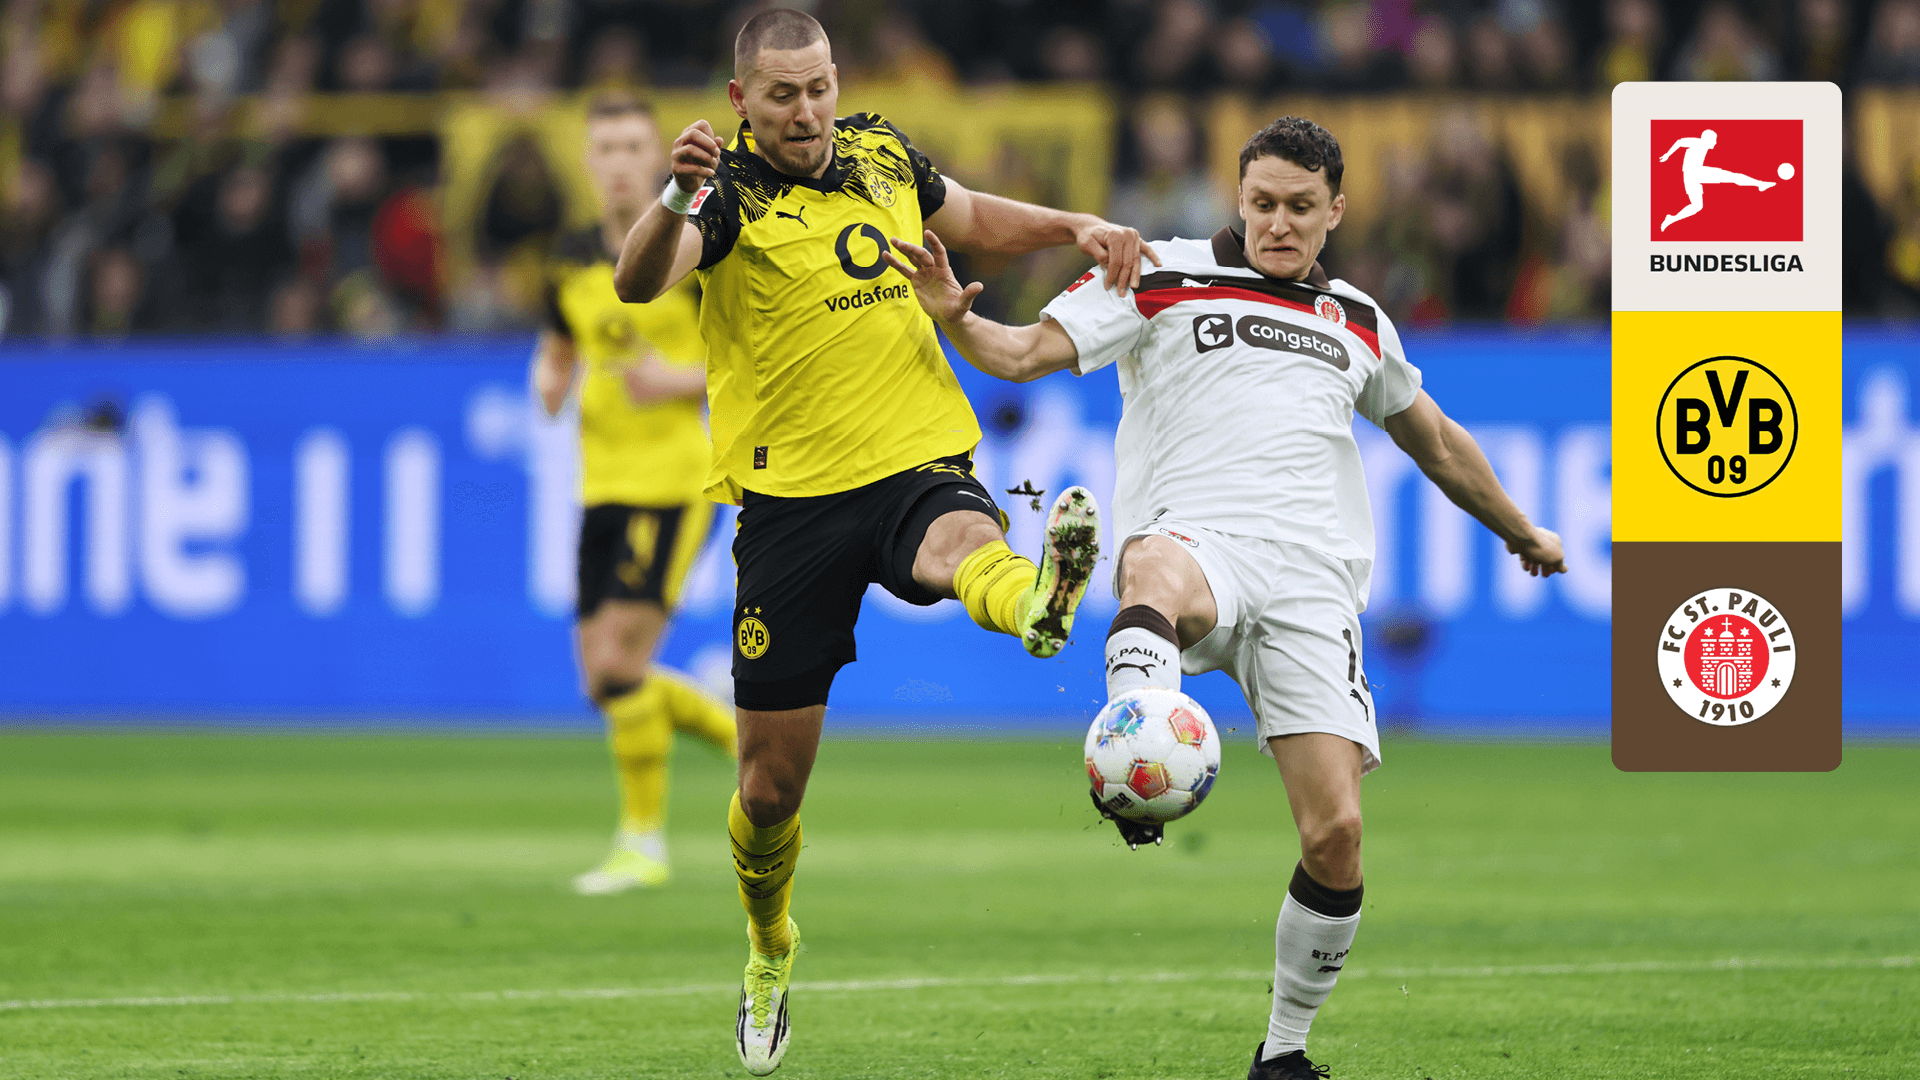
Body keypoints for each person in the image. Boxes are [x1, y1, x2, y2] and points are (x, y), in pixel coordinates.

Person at [883, 116, 1568, 1080]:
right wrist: (955, 317)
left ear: (1336, 211)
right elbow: (1022, 353)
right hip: (1197, 536)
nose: (1278, 224)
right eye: (1261, 204)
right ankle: (1136, 754)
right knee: (1151, 569)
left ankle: (1283, 1052)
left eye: (1299, 208)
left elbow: (1441, 443)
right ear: (1237, 198)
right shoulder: (1156, 271)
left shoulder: (1360, 320)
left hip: (1313, 585)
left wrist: (1522, 530)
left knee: (1336, 835)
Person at [610, 10, 1152, 1074]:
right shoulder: (725, 194)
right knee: (768, 794)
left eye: (819, 87)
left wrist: (1075, 225)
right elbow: (638, 282)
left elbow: (975, 215)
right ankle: (771, 945)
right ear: (741, 101)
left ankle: (1039, 603)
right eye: (783, 94)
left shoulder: (880, 150)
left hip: (913, 457)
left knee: (962, 541)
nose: (806, 111)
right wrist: (672, 193)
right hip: (790, 510)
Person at [530, 92, 738, 896]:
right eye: (605, 148)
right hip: (601, 485)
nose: (618, 163)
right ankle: (735, 728)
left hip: (674, 483)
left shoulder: (690, 247)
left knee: (621, 665)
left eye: (631, 147)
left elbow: (742, 357)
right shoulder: (570, 258)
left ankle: (642, 842)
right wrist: (551, 377)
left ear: (656, 159)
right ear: (588, 162)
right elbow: (559, 342)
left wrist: (673, 380)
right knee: (600, 680)